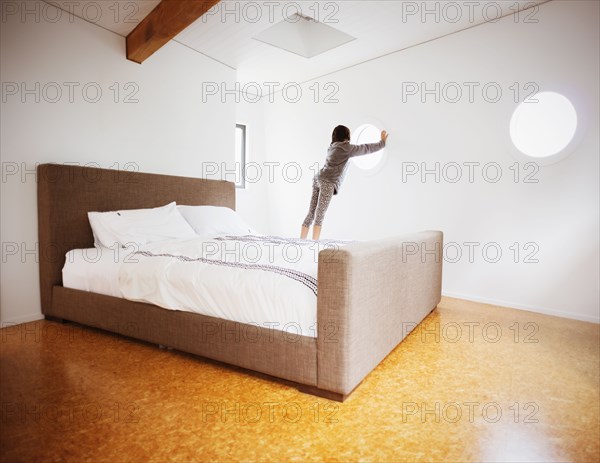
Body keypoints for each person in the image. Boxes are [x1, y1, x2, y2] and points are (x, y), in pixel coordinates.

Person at [301, 125, 389, 240]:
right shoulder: (346, 148)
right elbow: (366, 148)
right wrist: (382, 143)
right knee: (320, 215)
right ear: (346, 136)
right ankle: (314, 244)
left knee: (311, 213)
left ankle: (301, 242)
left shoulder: (332, 146)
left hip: (318, 178)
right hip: (327, 182)